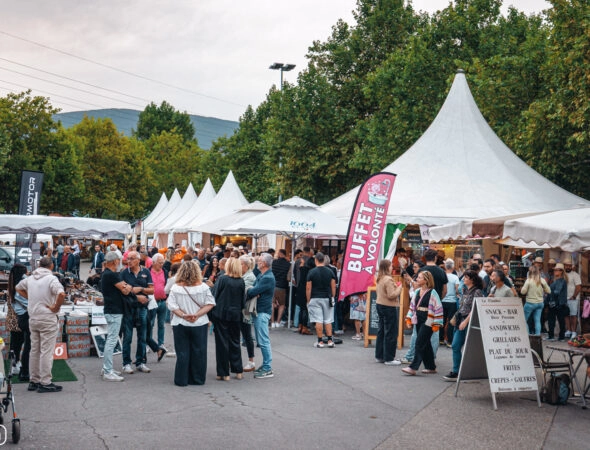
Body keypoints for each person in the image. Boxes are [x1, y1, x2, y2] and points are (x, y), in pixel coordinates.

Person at [16, 256, 65, 393]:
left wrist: (30, 298)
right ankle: (45, 382)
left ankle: (34, 380)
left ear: (39, 266)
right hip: (47, 318)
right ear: (51, 266)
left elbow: (18, 288)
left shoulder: (31, 278)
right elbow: (61, 294)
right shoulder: (51, 279)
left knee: (35, 350)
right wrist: (55, 308)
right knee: (46, 351)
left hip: (34, 317)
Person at [167, 261, 215, 386]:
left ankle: (181, 379)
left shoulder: (176, 288)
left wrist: (184, 315)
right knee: (199, 351)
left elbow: (172, 306)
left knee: (182, 352)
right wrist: (197, 315)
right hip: (199, 322)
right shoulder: (203, 287)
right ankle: (197, 378)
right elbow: (210, 303)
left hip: (180, 322)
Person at [443, 270, 484, 381]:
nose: (463, 279)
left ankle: (464, 371)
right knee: (455, 345)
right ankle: (457, 371)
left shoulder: (477, 292)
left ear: (472, 279)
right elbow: (462, 306)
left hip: (470, 322)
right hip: (460, 320)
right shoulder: (464, 290)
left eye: (466, 277)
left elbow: (476, 308)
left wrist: (466, 321)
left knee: (468, 348)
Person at [402, 271, 443, 376]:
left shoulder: (433, 292)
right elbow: (412, 306)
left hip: (429, 320)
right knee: (426, 343)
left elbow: (438, 308)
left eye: (419, 278)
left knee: (419, 342)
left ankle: (413, 367)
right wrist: (409, 318)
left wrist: (437, 323)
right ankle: (431, 367)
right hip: (418, 319)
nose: (417, 279)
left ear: (426, 280)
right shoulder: (417, 291)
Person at [211, 258, 245, 380]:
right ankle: (238, 370)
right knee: (235, 341)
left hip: (221, 313)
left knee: (222, 343)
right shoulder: (241, 281)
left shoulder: (222, 279)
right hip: (236, 314)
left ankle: (223, 372)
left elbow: (214, 295)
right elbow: (242, 300)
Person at [100, 251, 132, 381]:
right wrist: (127, 287)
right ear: (115, 261)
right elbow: (125, 289)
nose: (120, 262)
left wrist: (126, 287)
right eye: (118, 260)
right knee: (112, 340)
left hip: (112, 310)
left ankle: (107, 368)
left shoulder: (108, 274)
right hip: (114, 310)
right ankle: (108, 371)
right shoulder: (111, 275)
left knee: (111, 339)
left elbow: (125, 288)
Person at [120, 251, 154, 374]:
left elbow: (152, 290)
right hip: (128, 308)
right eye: (128, 258)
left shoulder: (146, 272)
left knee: (142, 337)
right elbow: (122, 291)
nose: (128, 261)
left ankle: (140, 362)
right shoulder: (124, 273)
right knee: (127, 337)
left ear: (138, 260)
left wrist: (140, 289)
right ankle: (126, 363)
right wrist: (136, 296)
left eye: (131, 258)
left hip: (142, 308)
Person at [246, 253, 276, 379]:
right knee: (262, 340)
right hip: (260, 311)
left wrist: (252, 291)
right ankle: (265, 366)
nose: (257, 262)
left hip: (262, 311)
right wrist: (253, 290)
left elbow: (253, 291)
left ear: (264, 264)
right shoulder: (262, 275)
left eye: (259, 261)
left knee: (263, 341)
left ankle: (267, 368)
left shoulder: (267, 277)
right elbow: (254, 289)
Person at [306, 252, 337, 348]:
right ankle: (330, 340)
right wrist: (332, 296)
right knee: (328, 320)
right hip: (327, 297)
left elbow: (308, 288)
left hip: (315, 298)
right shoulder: (330, 271)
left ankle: (320, 341)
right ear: (323, 260)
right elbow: (333, 286)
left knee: (318, 320)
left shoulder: (311, 272)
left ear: (316, 260)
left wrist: (308, 300)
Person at [375, 260, 402, 365]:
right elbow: (391, 295)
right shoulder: (388, 279)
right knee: (391, 332)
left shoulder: (380, 278)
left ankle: (380, 355)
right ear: (387, 267)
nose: (392, 267)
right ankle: (389, 358)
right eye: (391, 266)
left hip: (380, 304)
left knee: (381, 331)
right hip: (389, 306)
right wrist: (399, 288)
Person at [8, 264, 30, 381]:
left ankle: (15, 364)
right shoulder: (21, 285)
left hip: (14, 318)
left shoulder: (11, 284)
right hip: (22, 317)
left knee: (15, 343)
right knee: (24, 343)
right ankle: (21, 368)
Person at [521, 265, 551, 336]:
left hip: (530, 303)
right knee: (537, 321)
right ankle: (537, 336)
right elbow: (549, 291)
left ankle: (527, 335)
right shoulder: (542, 280)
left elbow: (523, 292)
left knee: (524, 320)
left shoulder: (528, 280)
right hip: (540, 303)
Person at [149, 253, 168, 360]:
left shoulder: (164, 271)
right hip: (152, 302)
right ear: (154, 262)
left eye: (162, 262)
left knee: (161, 324)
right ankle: (149, 343)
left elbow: (167, 284)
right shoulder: (148, 271)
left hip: (162, 301)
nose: (162, 264)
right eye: (160, 263)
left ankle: (161, 343)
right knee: (150, 324)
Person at [239, 255, 257, 372]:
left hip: (245, 311)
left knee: (247, 336)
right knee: (242, 336)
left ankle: (251, 361)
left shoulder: (250, 276)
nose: (238, 266)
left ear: (245, 265)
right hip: (240, 310)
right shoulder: (244, 275)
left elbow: (242, 291)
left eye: (240, 264)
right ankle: (236, 360)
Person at [546, 263, 568, 342]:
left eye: (557, 270)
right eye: (555, 270)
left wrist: (549, 292)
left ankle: (553, 336)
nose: (555, 271)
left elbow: (556, 292)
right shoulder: (559, 280)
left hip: (556, 303)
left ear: (561, 271)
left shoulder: (561, 281)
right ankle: (560, 337)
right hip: (558, 303)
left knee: (554, 320)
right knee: (560, 320)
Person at [441, 259, 460, 346]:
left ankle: (441, 339)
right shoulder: (455, 277)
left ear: (445, 267)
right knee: (451, 322)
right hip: (452, 301)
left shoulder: (442, 276)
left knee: (442, 320)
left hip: (442, 300)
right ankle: (449, 341)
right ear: (453, 267)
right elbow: (457, 290)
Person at [271, 249, 291, 328]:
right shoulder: (288, 264)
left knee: (271, 304)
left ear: (279, 254)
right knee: (282, 305)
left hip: (273, 285)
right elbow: (288, 277)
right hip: (282, 286)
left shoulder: (274, 262)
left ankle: (272, 322)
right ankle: (278, 322)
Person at [295, 257, 314, 335]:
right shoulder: (312, 272)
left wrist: (302, 262)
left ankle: (300, 326)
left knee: (301, 309)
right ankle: (305, 327)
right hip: (306, 291)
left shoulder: (303, 269)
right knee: (305, 309)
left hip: (300, 290)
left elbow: (301, 266)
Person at [563, 258, 582, 339]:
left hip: (573, 298)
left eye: (569, 266)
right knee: (566, 315)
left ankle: (574, 331)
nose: (568, 267)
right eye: (566, 265)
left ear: (571, 266)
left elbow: (578, 287)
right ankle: (569, 330)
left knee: (573, 315)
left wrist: (574, 296)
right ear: (564, 266)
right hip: (564, 298)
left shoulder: (575, 275)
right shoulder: (563, 275)